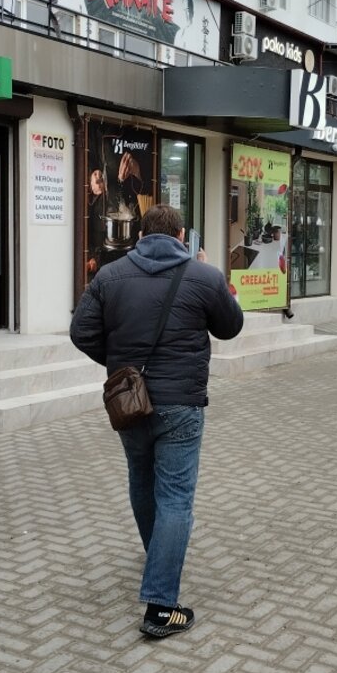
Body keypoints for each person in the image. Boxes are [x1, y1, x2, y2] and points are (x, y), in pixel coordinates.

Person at [69, 204, 244, 638]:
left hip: (130, 402)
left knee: (141, 480)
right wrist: (213, 274)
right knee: (176, 498)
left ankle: (158, 556)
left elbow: (80, 331)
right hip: (181, 404)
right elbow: (230, 327)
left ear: (140, 235)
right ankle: (161, 608)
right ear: (181, 236)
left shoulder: (109, 275)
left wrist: (121, 367)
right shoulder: (204, 276)